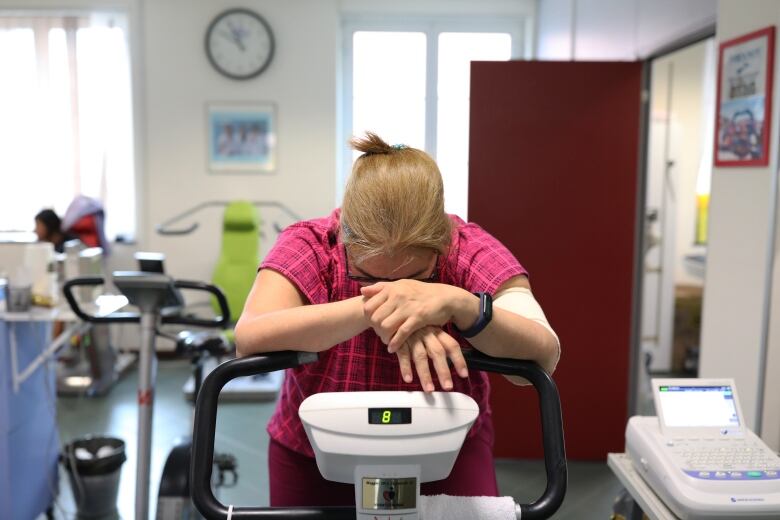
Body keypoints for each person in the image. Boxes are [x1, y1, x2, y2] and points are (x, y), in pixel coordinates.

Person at [234, 132, 561, 507]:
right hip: (315, 450)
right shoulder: (312, 242)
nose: (396, 291)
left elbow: (543, 355)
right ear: (345, 237)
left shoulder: (467, 247)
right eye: (368, 277)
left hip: (447, 445)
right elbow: (251, 336)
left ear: (441, 242)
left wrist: (461, 304)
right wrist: (371, 309)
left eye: (416, 277)